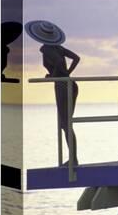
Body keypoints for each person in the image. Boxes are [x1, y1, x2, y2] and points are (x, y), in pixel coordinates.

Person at [25, 20, 80, 166]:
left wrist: (54, 75)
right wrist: (67, 73)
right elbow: (76, 58)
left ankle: (73, 160)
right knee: (66, 123)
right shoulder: (58, 48)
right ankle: (73, 159)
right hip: (70, 84)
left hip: (62, 86)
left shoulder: (48, 50)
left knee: (65, 124)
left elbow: (57, 63)